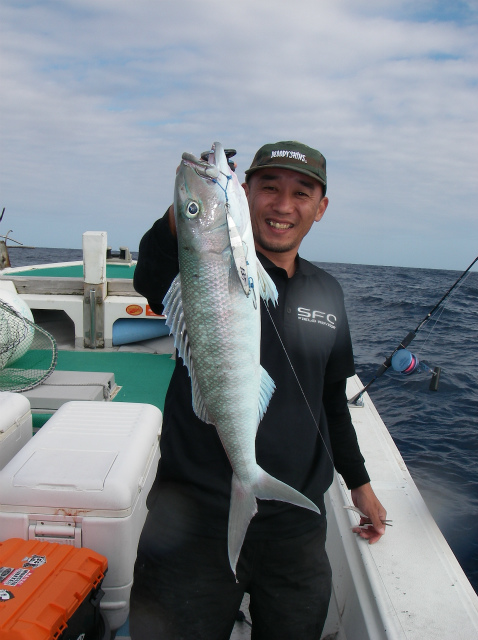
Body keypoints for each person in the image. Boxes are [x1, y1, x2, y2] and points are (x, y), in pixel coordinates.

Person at [130, 140, 387, 640]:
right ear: (243, 194)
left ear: (321, 208)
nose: (283, 205)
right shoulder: (199, 265)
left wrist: (360, 483)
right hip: (190, 518)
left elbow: (331, 401)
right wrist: (191, 206)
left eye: (301, 192)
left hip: (294, 526)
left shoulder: (327, 292)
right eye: (268, 188)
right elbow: (150, 271)